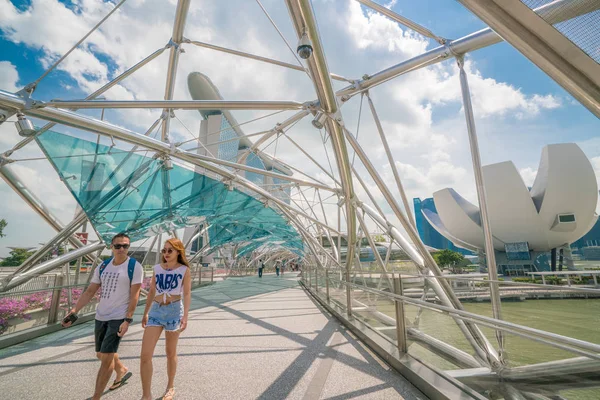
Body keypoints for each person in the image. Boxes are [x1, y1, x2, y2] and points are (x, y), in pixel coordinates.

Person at [62, 233, 143, 400]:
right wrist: (74, 311)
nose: (122, 249)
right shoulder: (103, 266)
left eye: (125, 246)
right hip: (101, 316)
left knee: (106, 358)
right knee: (100, 353)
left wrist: (128, 319)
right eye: (118, 246)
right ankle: (121, 370)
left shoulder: (135, 266)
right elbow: (91, 291)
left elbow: (135, 294)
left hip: (118, 317)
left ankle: (96, 396)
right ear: (111, 247)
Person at [140, 238, 192, 400]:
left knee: (170, 353)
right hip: (156, 312)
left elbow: (187, 293)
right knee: (145, 355)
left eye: (170, 250)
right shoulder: (157, 268)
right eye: (164, 250)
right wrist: (145, 312)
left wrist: (186, 316)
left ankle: (170, 386)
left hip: (174, 312)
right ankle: (146, 395)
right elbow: (151, 291)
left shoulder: (184, 270)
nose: (166, 253)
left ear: (178, 252)